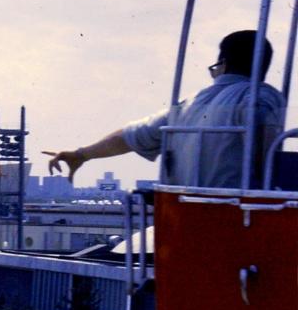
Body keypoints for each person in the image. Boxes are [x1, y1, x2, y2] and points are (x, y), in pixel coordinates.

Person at [46, 30, 285, 190]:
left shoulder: (186, 105)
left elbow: (128, 137)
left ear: (223, 64)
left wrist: (81, 154)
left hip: (185, 218)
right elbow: (267, 158)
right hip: (240, 219)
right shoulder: (263, 96)